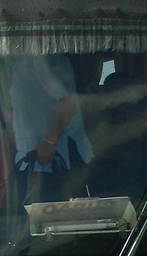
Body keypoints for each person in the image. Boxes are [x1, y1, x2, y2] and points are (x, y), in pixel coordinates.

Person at [10, 54, 92, 203]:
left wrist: (49, 141)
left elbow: (68, 101)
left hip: (51, 166)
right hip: (30, 162)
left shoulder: (41, 60)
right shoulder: (20, 61)